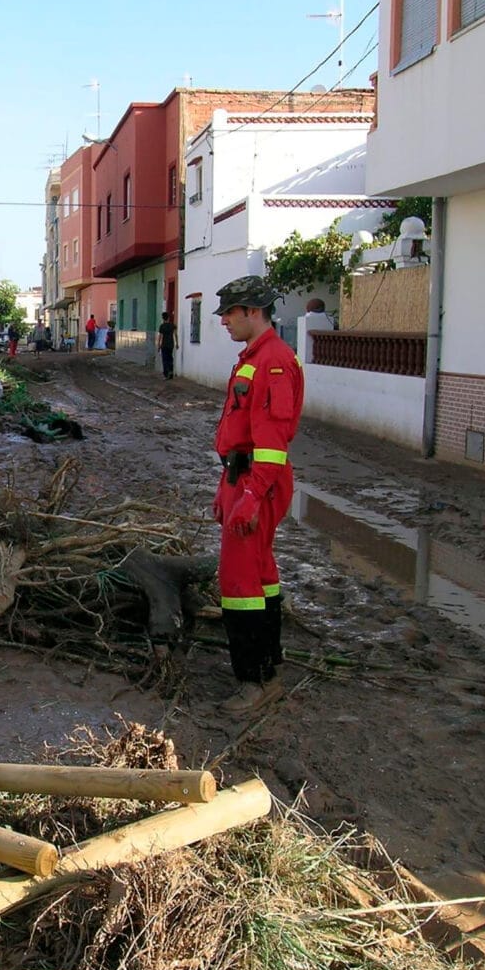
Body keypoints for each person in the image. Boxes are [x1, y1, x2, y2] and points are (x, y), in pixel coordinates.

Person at [210, 275, 305, 717]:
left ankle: (254, 681)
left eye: (230, 313)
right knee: (262, 573)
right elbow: (240, 432)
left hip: (257, 482)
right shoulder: (254, 357)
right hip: (243, 478)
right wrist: (226, 487)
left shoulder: (273, 362)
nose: (224, 321)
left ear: (252, 311)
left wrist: (249, 496)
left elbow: (271, 443)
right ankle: (270, 666)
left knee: (239, 582)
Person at [157, 312, 177, 379]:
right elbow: (175, 335)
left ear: (163, 318)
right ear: (168, 318)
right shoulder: (172, 326)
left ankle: (166, 374)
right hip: (171, 344)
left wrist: (159, 345)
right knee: (170, 358)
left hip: (164, 345)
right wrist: (177, 343)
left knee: (165, 360)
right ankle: (171, 373)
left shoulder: (162, 326)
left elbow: (160, 337)